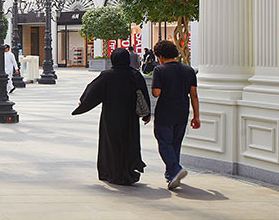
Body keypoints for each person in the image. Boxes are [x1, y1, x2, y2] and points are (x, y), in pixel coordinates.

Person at [71, 48, 151, 185]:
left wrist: (83, 102)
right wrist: (146, 115)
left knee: (111, 144)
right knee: (129, 143)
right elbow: (143, 95)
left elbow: (93, 90)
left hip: (111, 117)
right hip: (130, 117)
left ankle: (111, 173)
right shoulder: (135, 75)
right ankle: (128, 173)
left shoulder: (107, 75)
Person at [151, 39, 199, 189]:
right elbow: (194, 95)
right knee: (175, 143)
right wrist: (196, 116)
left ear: (160, 56)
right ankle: (171, 175)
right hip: (182, 111)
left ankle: (176, 169)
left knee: (164, 143)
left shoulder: (160, 70)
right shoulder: (188, 70)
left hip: (165, 111)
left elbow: (156, 93)